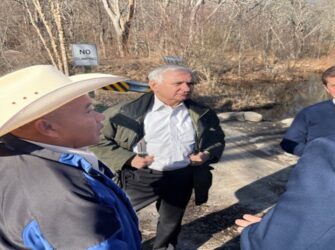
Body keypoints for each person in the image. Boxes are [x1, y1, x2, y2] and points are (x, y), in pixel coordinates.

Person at [235, 43, 335, 249]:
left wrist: (265, 235)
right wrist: (317, 158)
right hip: (320, 185)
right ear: (326, 88)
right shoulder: (311, 112)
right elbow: (289, 142)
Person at [0, 65, 141, 249]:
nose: (100, 117)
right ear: (47, 127)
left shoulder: (13, 156)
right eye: (89, 110)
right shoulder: (65, 198)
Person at [91, 64, 225, 250]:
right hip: (140, 177)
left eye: (190, 83)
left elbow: (216, 138)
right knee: (117, 216)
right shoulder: (125, 112)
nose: (186, 88)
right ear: (154, 85)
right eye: (178, 83)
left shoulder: (202, 113)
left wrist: (207, 154)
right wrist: (128, 159)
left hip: (181, 175)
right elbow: (95, 139)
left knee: (171, 222)